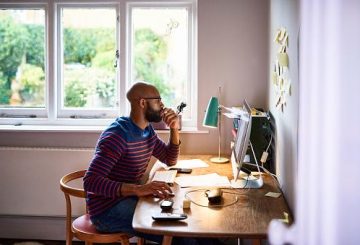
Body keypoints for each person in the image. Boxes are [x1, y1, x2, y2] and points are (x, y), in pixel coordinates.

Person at [83, 82, 180, 243]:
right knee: (178, 235)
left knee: (184, 226)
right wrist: (139, 189)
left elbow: (170, 159)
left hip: (128, 199)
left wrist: (174, 128)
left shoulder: (147, 131)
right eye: (158, 100)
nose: (162, 105)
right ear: (143, 103)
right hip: (107, 210)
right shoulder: (118, 135)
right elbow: (90, 182)